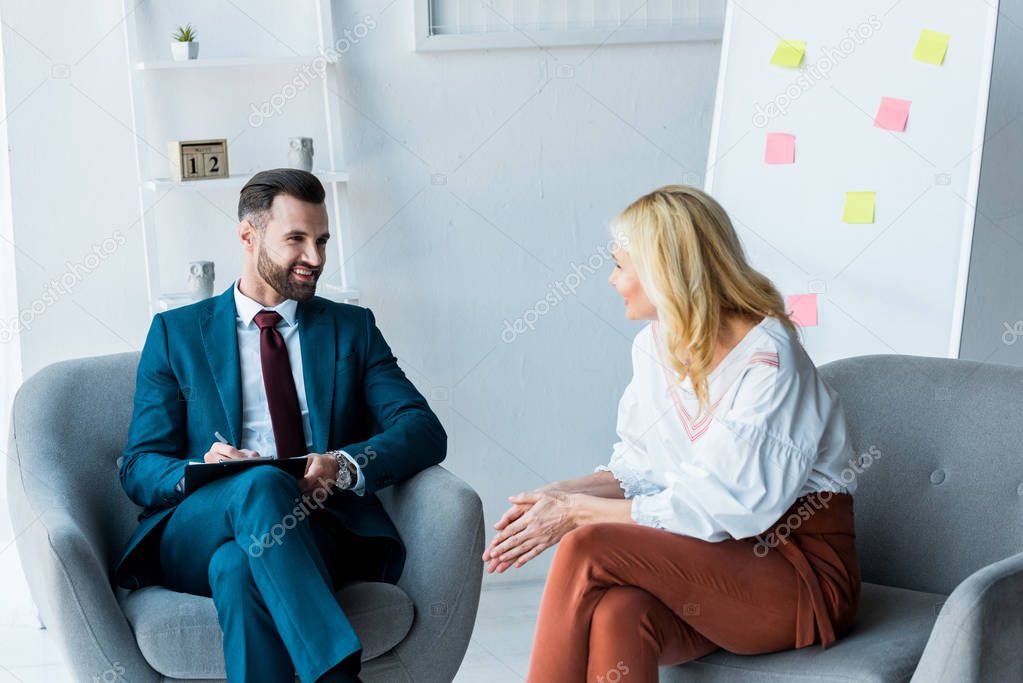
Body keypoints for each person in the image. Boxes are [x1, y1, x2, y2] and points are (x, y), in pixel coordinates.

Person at [482, 185, 861, 682]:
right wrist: (560, 494)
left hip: (796, 576)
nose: (612, 279)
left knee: (585, 545)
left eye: (620, 265)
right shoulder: (653, 346)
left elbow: (731, 506)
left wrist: (576, 515)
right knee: (620, 611)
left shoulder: (769, 357)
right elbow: (641, 470)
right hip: (718, 565)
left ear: (665, 272)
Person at [113, 169, 446, 683]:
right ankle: (336, 672)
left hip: (317, 524)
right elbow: (139, 465)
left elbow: (423, 429)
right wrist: (200, 465)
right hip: (200, 525)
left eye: (322, 240)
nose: (315, 258)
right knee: (260, 483)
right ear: (248, 238)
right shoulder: (176, 334)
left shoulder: (350, 329)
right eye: (296, 239)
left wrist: (343, 464)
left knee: (239, 569)